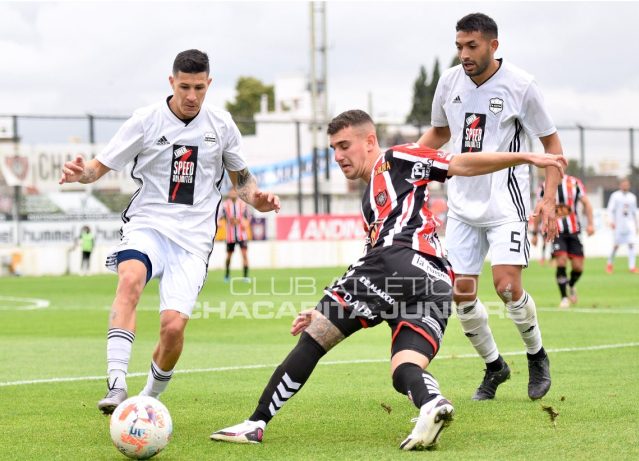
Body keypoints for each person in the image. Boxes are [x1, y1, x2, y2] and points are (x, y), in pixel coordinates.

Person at [210, 110, 565, 450]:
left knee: (314, 338)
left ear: (370, 141)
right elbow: (371, 258)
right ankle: (432, 404)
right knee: (404, 369)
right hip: (437, 283)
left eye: (344, 146)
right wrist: (328, 303)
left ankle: (255, 423)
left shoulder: (397, 157)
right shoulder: (370, 201)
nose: (337, 156)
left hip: (399, 263)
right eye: (333, 148)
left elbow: (459, 163)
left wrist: (527, 158)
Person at [58, 49, 280, 414]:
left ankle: (148, 400)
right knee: (130, 280)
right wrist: (78, 174)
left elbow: (242, 181)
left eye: (199, 88)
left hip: (193, 241)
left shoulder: (221, 125)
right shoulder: (145, 121)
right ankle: (116, 384)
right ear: (171, 82)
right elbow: (97, 169)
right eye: (184, 87)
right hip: (148, 225)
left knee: (173, 328)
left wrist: (257, 200)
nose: (192, 96)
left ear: (209, 84)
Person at [417, 12, 564, 401]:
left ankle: (537, 356)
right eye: (459, 46)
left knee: (506, 287)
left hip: (506, 203)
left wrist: (548, 200)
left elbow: (552, 148)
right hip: (461, 205)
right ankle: (495, 366)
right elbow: (439, 132)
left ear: (493, 45)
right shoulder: (449, 82)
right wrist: (404, 160)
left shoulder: (521, 85)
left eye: (472, 46)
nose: (464, 54)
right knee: (461, 293)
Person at [531, 175, 594, 308]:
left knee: (578, 267)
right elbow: (539, 209)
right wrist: (535, 233)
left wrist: (590, 224)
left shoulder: (575, 183)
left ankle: (570, 285)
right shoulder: (544, 186)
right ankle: (564, 298)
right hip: (556, 231)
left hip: (574, 231)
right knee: (561, 261)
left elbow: (587, 203)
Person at [606, 178, 639, 274]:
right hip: (618, 225)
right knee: (616, 246)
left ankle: (632, 267)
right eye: (623, 184)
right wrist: (611, 221)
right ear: (620, 185)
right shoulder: (615, 196)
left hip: (629, 225)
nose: (625, 186)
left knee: (631, 244)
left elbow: (634, 212)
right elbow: (610, 210)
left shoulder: (632, 197)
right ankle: (609, 264)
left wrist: (637, 226)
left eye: (627, 184)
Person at [220, 188, 251, 282]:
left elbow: (248, 217)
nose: (233, 193)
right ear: (229, 193)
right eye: (231, 192)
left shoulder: (242, 204)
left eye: (234, 191)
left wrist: (245, 223)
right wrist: (219, 223)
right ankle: (227, 275)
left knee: (244, 255)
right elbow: (220, 216)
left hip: (242, 234)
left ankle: (245, 277)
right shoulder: (225, 205)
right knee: (229, 256)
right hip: (230, 235)